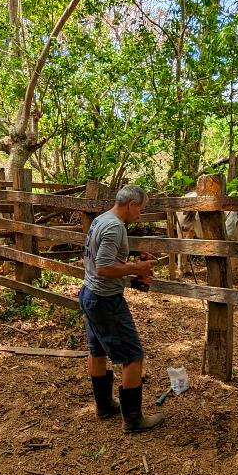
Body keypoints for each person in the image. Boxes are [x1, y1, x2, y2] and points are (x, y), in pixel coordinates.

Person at [80, 184, 163, 433]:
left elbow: (100, 259)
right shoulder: (115, 227)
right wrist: (136, 269)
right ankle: (133, 419)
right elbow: (104, 268)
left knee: (97, 350)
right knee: (133, 356)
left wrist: (131, 262)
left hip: (89, 294)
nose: (141, 215)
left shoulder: (102, 219)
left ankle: (104, 406)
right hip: (106, 300)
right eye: (141, 209)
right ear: (131, 205)